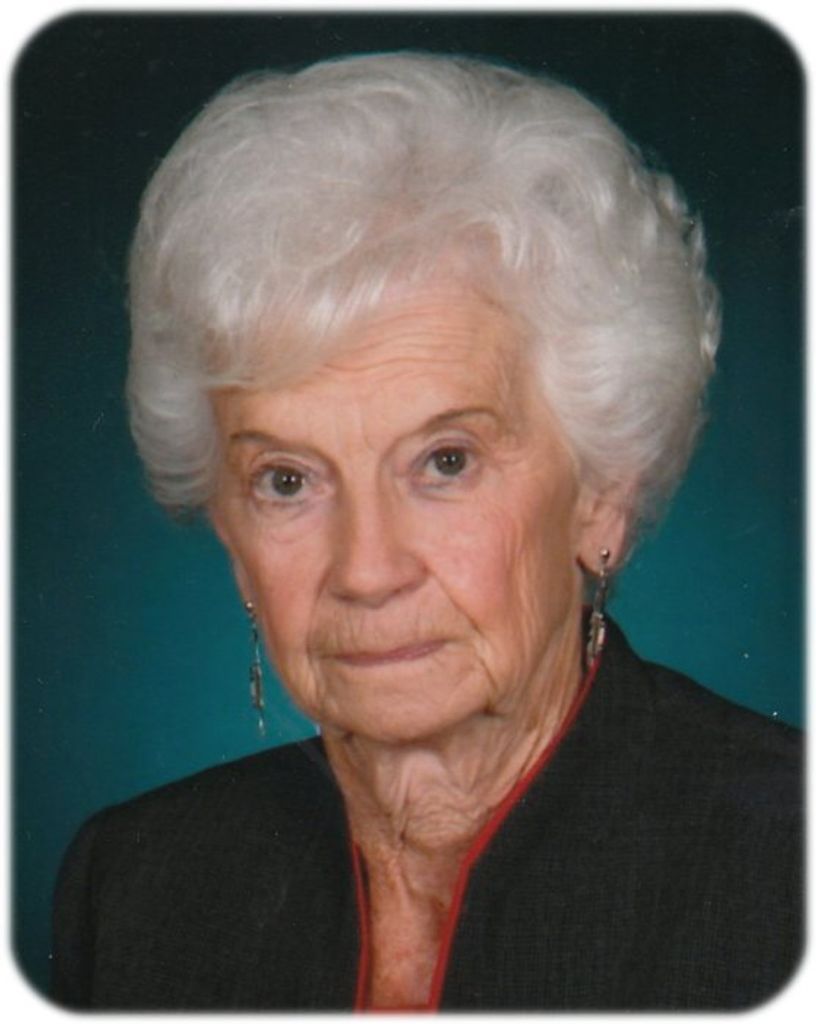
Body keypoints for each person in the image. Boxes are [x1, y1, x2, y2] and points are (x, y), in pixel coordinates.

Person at [51, 52, 801, 1011]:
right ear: (231, 534)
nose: (367, 571)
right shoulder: (135, 883)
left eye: (446, 461)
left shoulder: (787, 867)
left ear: (601, 495)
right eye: (287, 481)